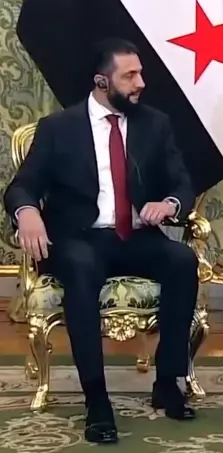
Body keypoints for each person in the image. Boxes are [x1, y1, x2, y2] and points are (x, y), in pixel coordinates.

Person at [3, 38, 199, 444]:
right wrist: (28, 212)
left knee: (182, 260)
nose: (140, 83)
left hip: (135, 236)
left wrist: (169, 203)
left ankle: (168, 382)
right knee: (81, 265)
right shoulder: (59, 128)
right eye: (130, 76)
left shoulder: (155, 124)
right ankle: (96, 400)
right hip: (78, 238)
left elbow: (182, 182)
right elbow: (22, 186)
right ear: (101, 81)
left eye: (140, 73)